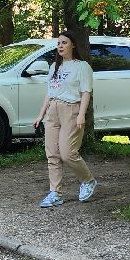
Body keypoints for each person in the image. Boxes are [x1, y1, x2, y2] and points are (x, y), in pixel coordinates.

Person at [31, 32, 97, 207]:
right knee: (52, 154)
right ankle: (55, 193)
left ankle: (88, 180)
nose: (60, 46)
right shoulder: (54, 66)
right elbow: (49, 92)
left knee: (68, 153)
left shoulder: (82, 67)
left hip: (71, 109)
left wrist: (82, 114)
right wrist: (41, 114)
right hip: (53, 110)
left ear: (73, 45)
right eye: (58, 43)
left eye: (64, 42)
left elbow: (85, 92)